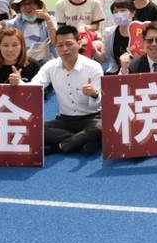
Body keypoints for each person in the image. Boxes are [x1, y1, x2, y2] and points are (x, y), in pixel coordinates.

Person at [27, 25, 104, 154]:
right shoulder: (51, 66)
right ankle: (82, 141)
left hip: (91, 117)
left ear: (79, 44)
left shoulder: (93, 67)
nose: (65, 49)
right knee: (34, 130)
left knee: (101, 128)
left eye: (69, 44)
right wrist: (18, 82)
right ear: (55, 47)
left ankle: (58, 147)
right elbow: (35, 86)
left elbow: (99, 103)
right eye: (60, 45)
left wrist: (94, 94)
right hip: (65, 119)